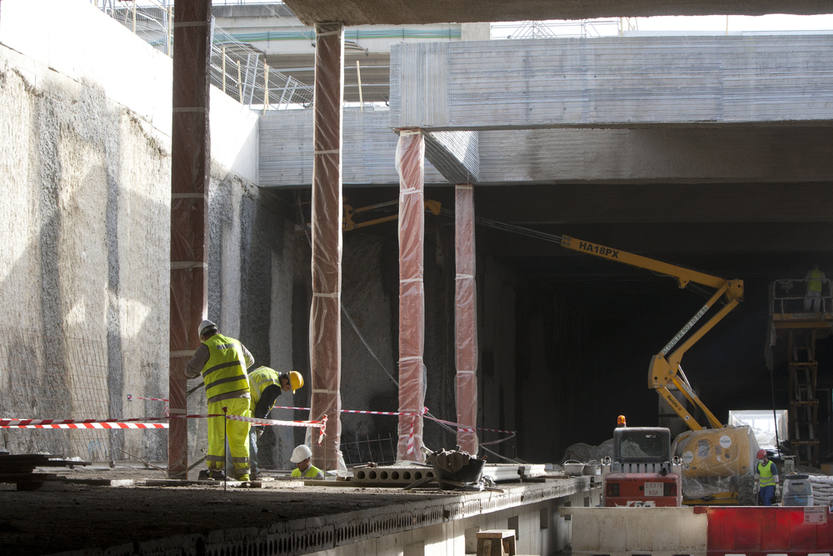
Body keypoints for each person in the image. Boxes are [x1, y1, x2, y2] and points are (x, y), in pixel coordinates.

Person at [186, 319, 254, 481]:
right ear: (216, 330)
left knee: (217, 435)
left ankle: (215, 471)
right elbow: (251, 360)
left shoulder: (206, 347)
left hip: (220, 398)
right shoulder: (235, 343)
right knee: (240, 437)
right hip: (243, 397)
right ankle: (244, 475)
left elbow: (189, 371)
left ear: (203, 336)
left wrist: (204, 371)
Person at [248, 367, 304, 479]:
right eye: (289, 387)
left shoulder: (268, 372)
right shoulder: (274, 387)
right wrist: (260, 427)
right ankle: (253, 470)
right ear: (286, 381)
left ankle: (238, 469)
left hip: (238, 399)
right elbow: (262, 408)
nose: (287, 390)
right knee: (251, 440)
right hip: (247, 408)